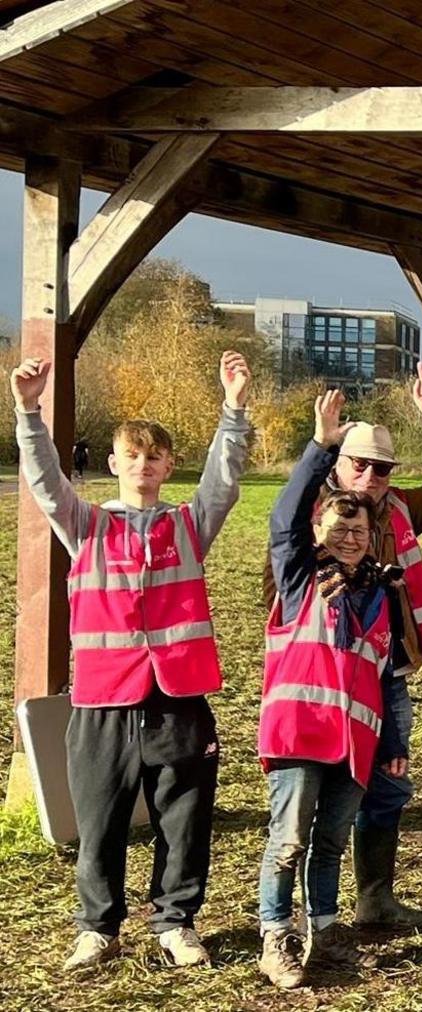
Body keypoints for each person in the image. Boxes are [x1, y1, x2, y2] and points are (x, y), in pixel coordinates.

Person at [14, 353, 251, 972]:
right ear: (114, 464)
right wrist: (29, 413)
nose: (144, 465)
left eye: (156, 457)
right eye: (133, 456)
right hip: (102, 699)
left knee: (184, 819)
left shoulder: (188, 526)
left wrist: (233, 409)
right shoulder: (85, 523)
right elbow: (43, 481)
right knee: (100, 820)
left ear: (169, 466)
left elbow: (223, 484)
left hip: (177, 697)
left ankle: (176, 921)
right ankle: (99, 927)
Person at [277, 360, 422, 931]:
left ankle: (374, 898)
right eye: (363, 463)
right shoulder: (314, 516)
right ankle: (298, 918)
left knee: (388, 780)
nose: (375, 475)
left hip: (390, 669)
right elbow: (281, 575)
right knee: (313, 796)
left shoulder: (401, 508)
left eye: (383, 467)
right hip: (321, 673)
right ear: (339, 463)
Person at [257, 390, 391, 988]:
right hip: (299, 734)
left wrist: (388, 740)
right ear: (319, 526)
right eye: (339, 524)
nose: (350, 536)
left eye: (359, 528)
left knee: (331, 842)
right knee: (288, 841)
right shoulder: (299, 579)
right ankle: (276, 936)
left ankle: (327, 935)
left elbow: (379, 677)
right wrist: (321, 446)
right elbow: (282, 517)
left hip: (354, 743)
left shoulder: (377, 594)